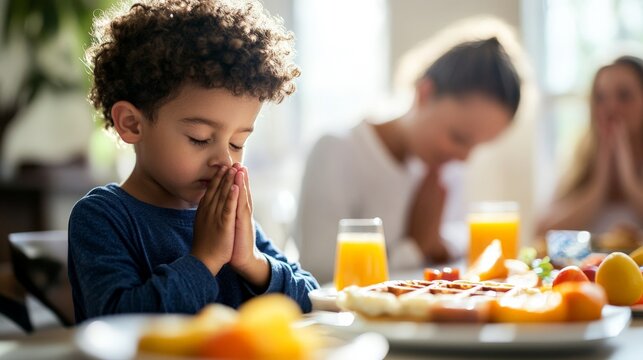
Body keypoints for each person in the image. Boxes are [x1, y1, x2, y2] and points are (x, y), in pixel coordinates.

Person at [67, 0, 318, 323]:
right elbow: (120, 324)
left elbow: (311, 299)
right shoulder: (103, 217)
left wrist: (252, 262)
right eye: (199, 138)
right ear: (131, 123)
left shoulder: (226, 215)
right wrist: (206, 260)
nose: (225, 159)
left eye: (237, 142)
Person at [294, 37, 522, 284]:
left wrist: (437, 243)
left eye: (476, 146)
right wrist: (416, 247)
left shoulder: (445, 168)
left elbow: (463, 237)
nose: (464, 158)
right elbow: (320, 271)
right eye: (459, 137)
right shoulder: (338, 150)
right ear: (425, 94)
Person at [537, 56, 643, 236]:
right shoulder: (580, 157)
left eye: (624, 96)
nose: (611, 107)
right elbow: (543, 231)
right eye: (600, 97)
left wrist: (628, 181)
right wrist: (599, 184)